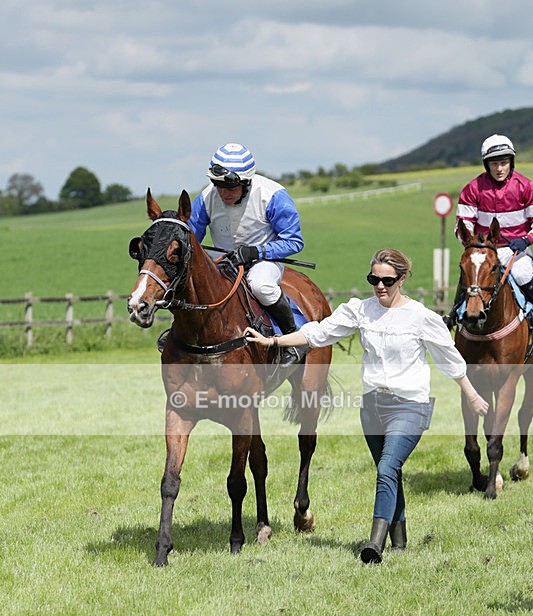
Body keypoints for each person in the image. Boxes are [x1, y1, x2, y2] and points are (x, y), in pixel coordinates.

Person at [245, 248, 489, 565]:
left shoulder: (420, 317)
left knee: (387, 469)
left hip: (410, 406)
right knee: (390, 471)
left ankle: (375, 545)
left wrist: (470, 393)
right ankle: (400, 540)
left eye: (387, 280)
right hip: (372, 408)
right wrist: (273, 341)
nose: (380, 286)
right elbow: (317, 333)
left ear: (402, 279)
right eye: (374, 279)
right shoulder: (360, 310)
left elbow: (449, 358)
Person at [189, 142, 304, 365]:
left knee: (261, 285)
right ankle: (179, 337)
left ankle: (292, 340)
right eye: (218, 186)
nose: (223, 193)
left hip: (265, 261)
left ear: (247, 182)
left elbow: (294, 241)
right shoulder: (205, 198)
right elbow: (191, 236)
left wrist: (256, 251)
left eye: (231, 187)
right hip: (223, 263)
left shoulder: (273, 195)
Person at [445, 134, 533, 329]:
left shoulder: (526, 187)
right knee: (470, 274)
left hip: (515, 251)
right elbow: (463, 224)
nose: (500, 168)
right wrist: (473, 244)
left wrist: (526, 240)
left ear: (511, 162)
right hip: (483, 250)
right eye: (494, 164)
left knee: (524, 274)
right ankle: (455, 316)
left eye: (504, 163)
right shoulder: (472, 189)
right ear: (486, 165)